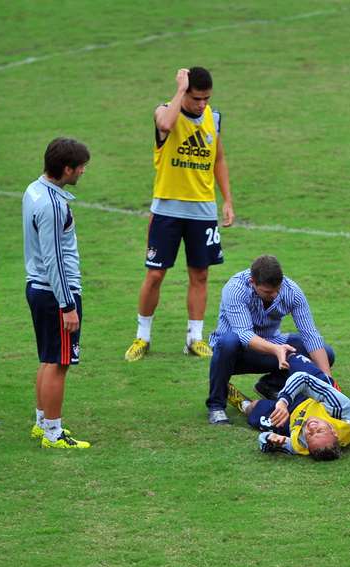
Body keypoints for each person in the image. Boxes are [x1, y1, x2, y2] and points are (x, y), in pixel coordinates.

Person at [125, 66, 235, 362]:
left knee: (200, 274)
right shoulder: (165, 111)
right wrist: (178, 89)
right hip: (167, 211)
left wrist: (227, 200)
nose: (202, 104)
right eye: (197, 98)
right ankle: (142, 336)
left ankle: (194, 338)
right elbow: (167, 123)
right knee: (155, 274)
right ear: (184, 92)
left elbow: (219, 159)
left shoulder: (214, 118)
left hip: (202, 212)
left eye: (206, 98)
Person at [206, 254, 334, 425]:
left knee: (326, 353)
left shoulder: (292, 291)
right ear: (253, 282)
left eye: (277, 290)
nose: (274, 295)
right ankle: (216, 405)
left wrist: (328, 383)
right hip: (235, 354)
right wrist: (277, 350)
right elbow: (244, 334)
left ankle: (270, 385)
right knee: (227, 342)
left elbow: (310, 335)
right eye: (268, 292)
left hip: (272, 348)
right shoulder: (235, 288)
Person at [23, 138, 92, 449]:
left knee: (49, 359)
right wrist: (67, 305)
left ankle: (41, 424)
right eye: (80, 167)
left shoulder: (33, 190)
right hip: (55, 294)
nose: (83, 171)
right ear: (67, 169)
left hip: (39, 288)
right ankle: (53, 433)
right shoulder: (52, 205)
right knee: (59, 363)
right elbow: (54, 259)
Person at [228, 353, 350, 460]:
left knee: (253, 410)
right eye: (320, 430)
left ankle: (242, 402)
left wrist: (270, 440)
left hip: (296, 413)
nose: (312, 428)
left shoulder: (301, 444)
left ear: (307, 445)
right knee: (294, 360)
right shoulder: (342, 409)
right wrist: (283, 401)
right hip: (316, 396)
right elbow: (303, 379)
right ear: (334, 431)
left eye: (310, 435)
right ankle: (272, 385)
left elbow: (264, 441)